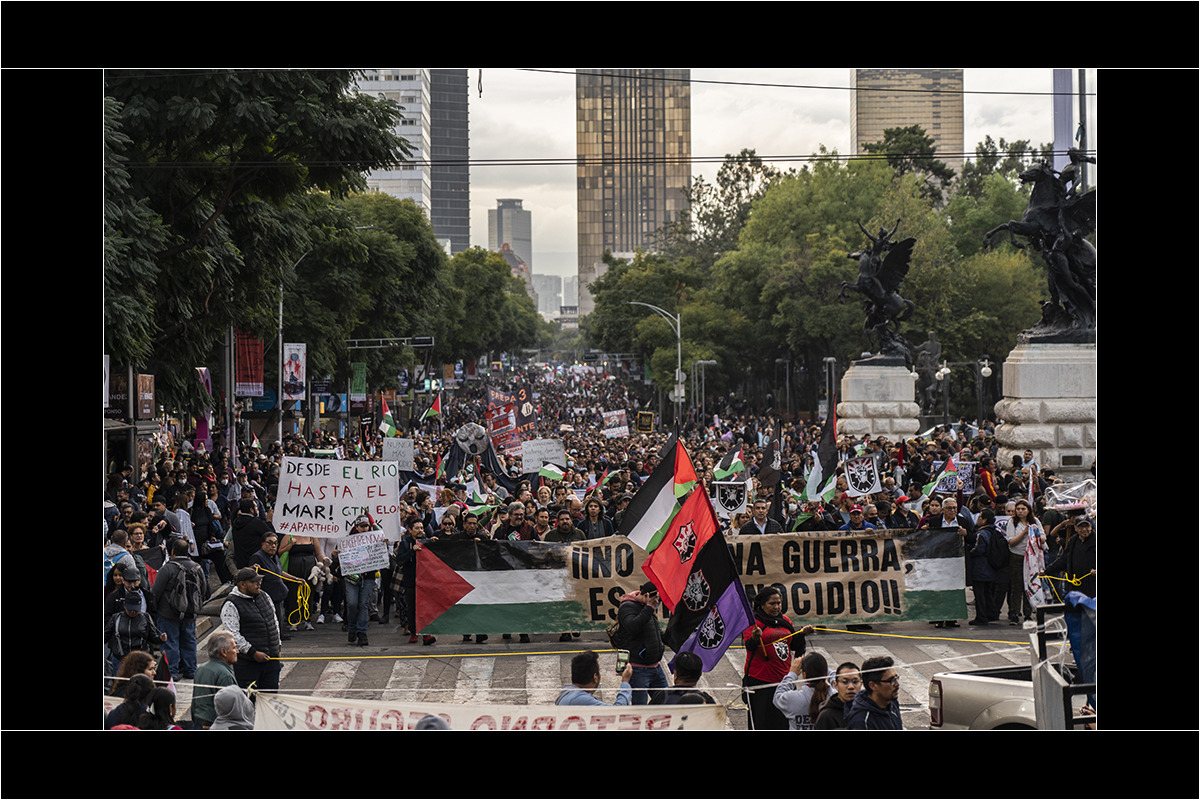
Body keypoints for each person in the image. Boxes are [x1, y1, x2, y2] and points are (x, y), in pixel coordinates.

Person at [742, 585, 814, 730]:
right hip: (761, 681)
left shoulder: (786, 621)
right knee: (761, 722)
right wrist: (755, 638)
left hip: (783, 679)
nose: (776, 607)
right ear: (762, 605)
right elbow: (749, 646)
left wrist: (801, 634)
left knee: (782, 721)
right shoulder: (754, 624)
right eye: (772, 603)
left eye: (778, 603)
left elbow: (794, 646)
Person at [151, 536, 209, 680]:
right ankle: (190, 670)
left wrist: (155, 609)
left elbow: (155, 592)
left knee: (170, 643)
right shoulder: (197, 568)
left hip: (168, 614)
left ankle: (172, 672)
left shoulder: (167, 568)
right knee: (189, 641)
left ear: (172, 551)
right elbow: (205, 590)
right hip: (190, 613)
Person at [220, 567, 283, 691]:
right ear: (242, 584)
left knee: (270, 701)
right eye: (254, 582)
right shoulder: (231, 604)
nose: (259, 584)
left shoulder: (264, 596)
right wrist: (253, 652)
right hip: (248, 664)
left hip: (271, 661)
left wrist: (278, 647)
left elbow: (274, 623)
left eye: (259, 581)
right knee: (249, 702)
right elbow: (232, 634)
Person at [616, 581, 668, 705]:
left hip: (655, 666)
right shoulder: (627, 607)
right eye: (655, 600)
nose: (657, 604)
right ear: (647, 596)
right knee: (640, 709)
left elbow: (656, 633)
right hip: (638, 668)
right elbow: (632, 626)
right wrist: (649, 607)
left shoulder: (648, 609)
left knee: (667, 703)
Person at [106, 590, 167, 675]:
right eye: (130, 609)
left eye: (135, 610)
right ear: (124, 606)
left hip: (141, 660)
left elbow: (153, 637)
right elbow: (105, 635)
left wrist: (161, 639)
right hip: (120, 659)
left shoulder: (145, 617)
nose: (133, 612)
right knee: (120, 685)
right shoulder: (116, 618)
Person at [1003, 497, 1043, 625]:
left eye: (1023, 509)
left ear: (1028, 510)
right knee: (1016, 586)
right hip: (1016, 557)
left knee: (1030, 585)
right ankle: (1014, 613)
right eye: (1018, 509)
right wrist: (1025, 532)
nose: (1020, 511)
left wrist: (1034, 533)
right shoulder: (1012, 522)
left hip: (1031, 558)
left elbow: (1043, 538)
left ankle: (1028, 613)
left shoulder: (1035, 521)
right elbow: (1011, 541)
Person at [1041, 514, 1096, 599]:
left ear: (1091, 526)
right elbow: (1063, 560)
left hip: (1092, 587)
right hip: (1075, 587)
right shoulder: (1073, 541)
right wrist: (1046, 571)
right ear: (1075, 528)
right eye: (1081, 527)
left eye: (1087, 526)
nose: (1084, 530)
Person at [772, 651, 830, 730]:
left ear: (804, 675)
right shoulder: (834, 695)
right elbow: (836, 680)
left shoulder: (793, 698)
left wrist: (792, 674)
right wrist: (822, 668)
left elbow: (778, 696)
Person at [192, 631, 239, 729]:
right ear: (223, 652)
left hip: (198, 722)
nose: (237, 651)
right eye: (234, 648)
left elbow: (195, 702)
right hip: (214, 725)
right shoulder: (225, 675)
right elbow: (229, 709)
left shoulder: (201, 668)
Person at [555, 650, 633, 706]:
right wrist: (625, 682)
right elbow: (617, 712)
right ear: (595, 677)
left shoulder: (568, 694)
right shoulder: (580, 699)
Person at [845, 655, 904, 730]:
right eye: (891, 680)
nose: (897, 684)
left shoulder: (892, 703)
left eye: (896, 678)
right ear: (872, 685)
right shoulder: (861, 721)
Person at [967, 508, 1001, 626]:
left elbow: (977, 549)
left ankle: (981, 616)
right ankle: (991, 613)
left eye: (980, 517)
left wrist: (967, 552)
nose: (978, 519)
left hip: (980, 567)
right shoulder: (994, 532)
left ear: (985, 519)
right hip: (991, 567)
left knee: (980, 594)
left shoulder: (981, 533)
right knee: (988, 593)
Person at [815, 662, 861, 729]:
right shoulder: (827, 716)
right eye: (845, 682)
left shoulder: (865, 710)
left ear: (861, 684)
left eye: (855, 682)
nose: (851, 687)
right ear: (835, 685)